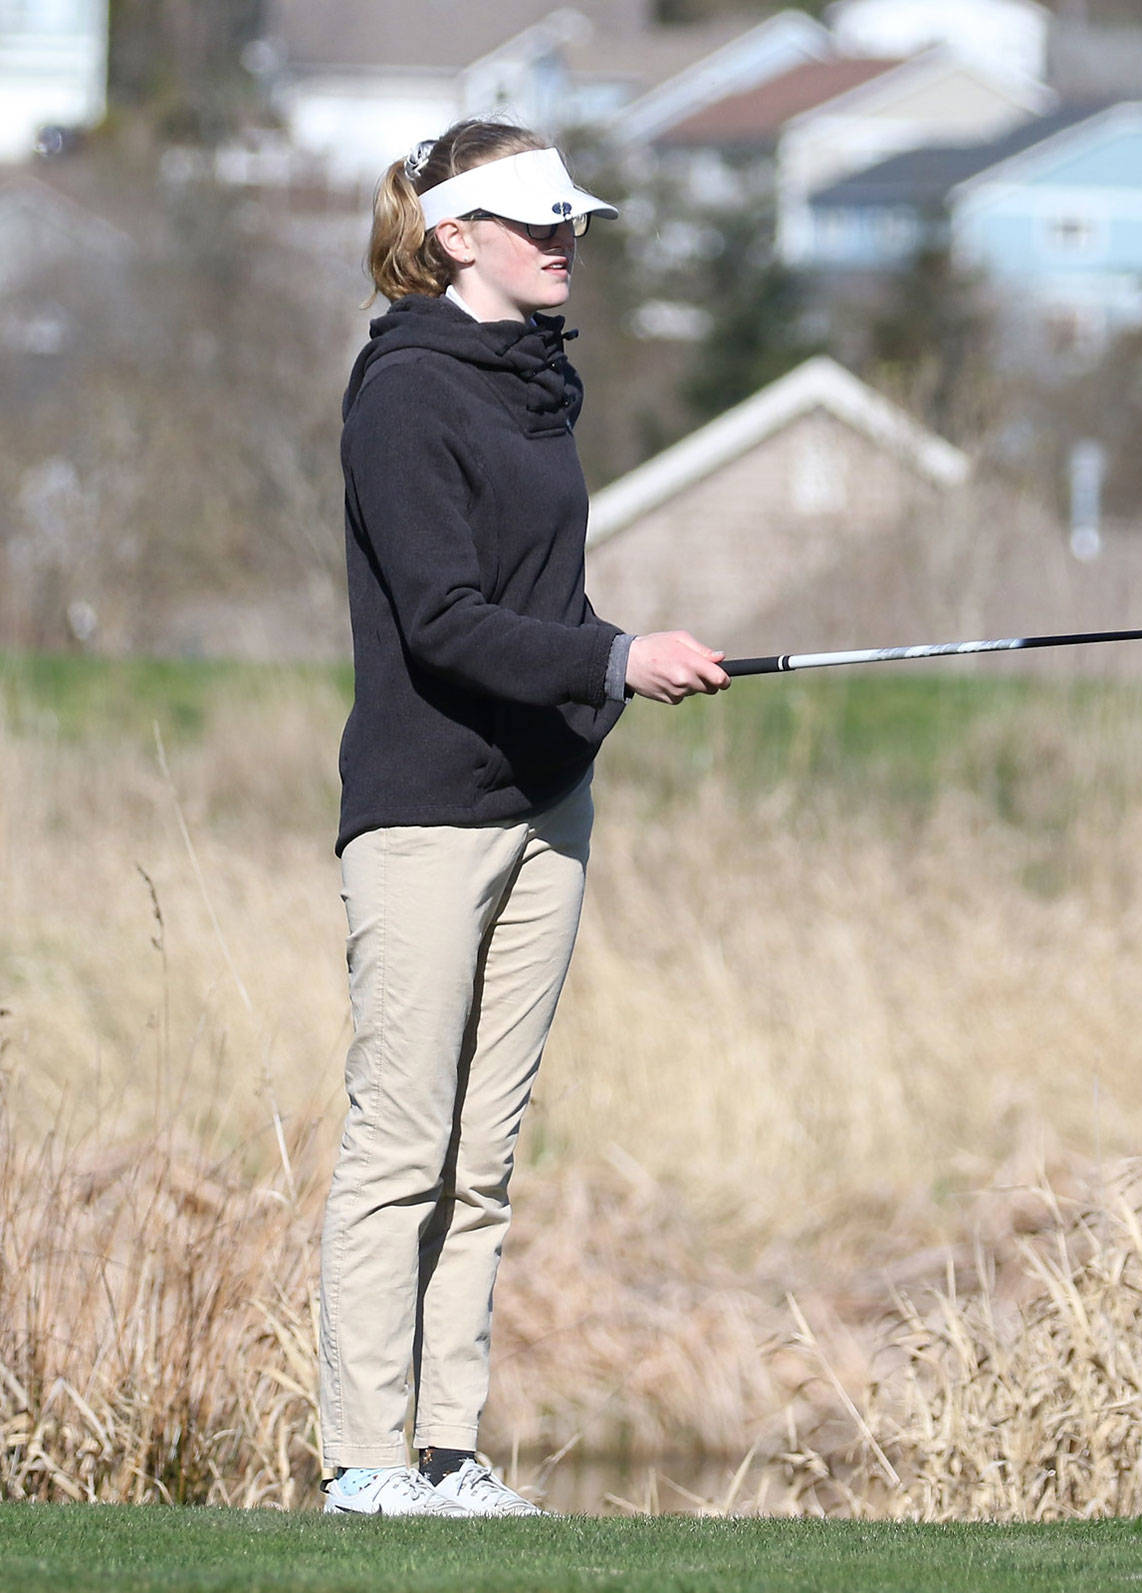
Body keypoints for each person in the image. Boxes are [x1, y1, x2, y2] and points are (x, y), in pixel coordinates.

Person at [319, 119, 729, 1518]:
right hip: (427, 811)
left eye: (574, 224)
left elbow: (542, 608)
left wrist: (610, 667)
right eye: (540, 222)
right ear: (456, 237)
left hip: (547, 800)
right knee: (400, 1142)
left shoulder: (538, 383)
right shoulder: (405, 395)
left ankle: (446, 1451)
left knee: (482, 1152)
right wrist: (617, 658)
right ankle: (366, 1458)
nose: (567, 243)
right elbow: (442, 620)